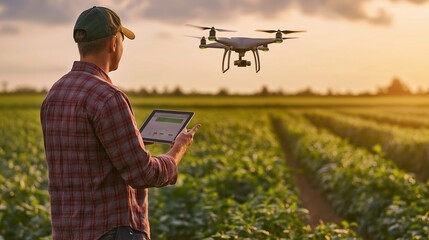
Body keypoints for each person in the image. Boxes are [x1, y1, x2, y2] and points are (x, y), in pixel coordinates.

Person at [40, 6, 200, 240]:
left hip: (67, 232)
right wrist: (178, 150)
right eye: (122, 40)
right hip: (110, 232)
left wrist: (132, 140)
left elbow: (85, 152)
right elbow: (142, 174)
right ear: (113, 43)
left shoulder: (55, 93)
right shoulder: (108, 96)